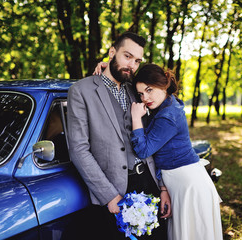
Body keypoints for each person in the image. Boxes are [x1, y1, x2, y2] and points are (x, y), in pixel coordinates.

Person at [67, 32, 171, 240]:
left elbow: (155, 137)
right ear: (112, 53)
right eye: (127, 56)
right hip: (115, 190)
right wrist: (109, 196)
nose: (132, 65)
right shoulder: (81, 91)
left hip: (149, 181)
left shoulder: (137, 89)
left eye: (137, 61)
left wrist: (163, 186)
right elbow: (78, 149)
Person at [130, 63, 223, 240]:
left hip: (188, 185)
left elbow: (143, 150)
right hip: (179, 182)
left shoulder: (168, 116)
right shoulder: (166, 104)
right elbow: (161, 155)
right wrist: (164, 188)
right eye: (141, 93)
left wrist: (136, 118)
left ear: (163, 85)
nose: (145, 98)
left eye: (149, 90)